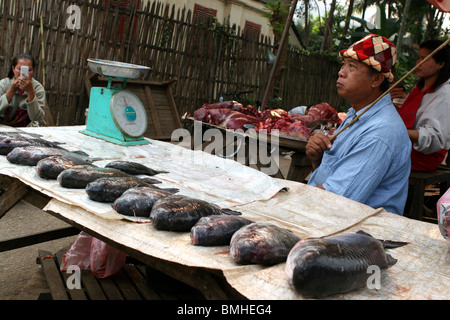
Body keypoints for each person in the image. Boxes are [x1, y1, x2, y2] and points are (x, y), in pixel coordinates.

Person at [305, 34, 411, 215]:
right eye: (343, 64)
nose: (341, 72)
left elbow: (335, 200)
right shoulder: (357, 113)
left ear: (376, 80)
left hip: (357, 232)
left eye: (352, 66)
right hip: (331, 215)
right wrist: (318, 158)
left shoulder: (380, 132)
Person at [397, 40, 450, 172]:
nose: (418, 63)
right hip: (404, 149)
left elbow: (436, 138)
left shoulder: (444, 95)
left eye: (424, 58)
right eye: (418, 58)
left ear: (441, 64)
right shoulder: (419, 87)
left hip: (421, 158)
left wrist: (398, 131)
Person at [0, 53, 45, 127]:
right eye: (19, 69)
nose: (23, 73)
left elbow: (37, 118)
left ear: (33, 71)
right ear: (13, 69)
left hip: (27, 129)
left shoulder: (37, 87)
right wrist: (11, 90)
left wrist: (30, 92)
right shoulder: (3, 84)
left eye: (29, 70)